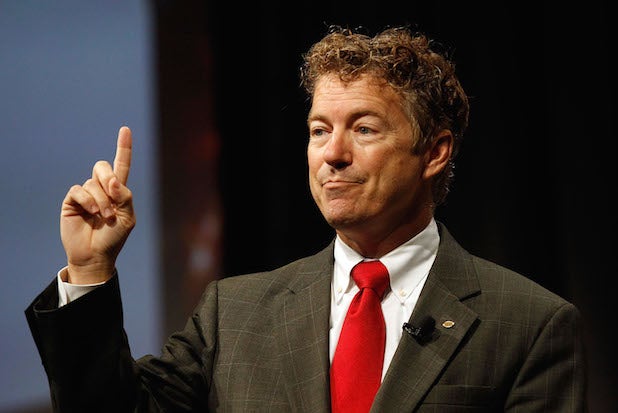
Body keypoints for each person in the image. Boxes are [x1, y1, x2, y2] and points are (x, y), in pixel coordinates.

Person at [26, 25, 587, 412]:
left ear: (435, 151)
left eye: (363, 129)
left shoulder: (529, 325)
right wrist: (91, 270)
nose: (332, 154)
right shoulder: (233, 314)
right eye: (320, 130)